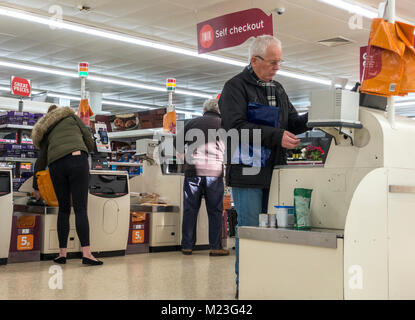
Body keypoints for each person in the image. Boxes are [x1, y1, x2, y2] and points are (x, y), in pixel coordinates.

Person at [218, 35, 309, 297]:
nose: (277, 67)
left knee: (277, 232)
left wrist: (318, 116)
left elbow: (291, 121)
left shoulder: (278, 89)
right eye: (272, 62)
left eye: (279, 62)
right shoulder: (235, 87)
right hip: (247, 172)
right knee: (250, 232)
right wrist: (275, 136)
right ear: (254, 60)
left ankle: (269, 285)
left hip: (275, 171)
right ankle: (245, 288)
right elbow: (234, 127)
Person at [32, 104, 103, 266]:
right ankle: (87, 254)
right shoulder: (72, 117)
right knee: (80, 209)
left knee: (63, 209)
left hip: (56, 165)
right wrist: (85, 149)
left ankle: (62, 254)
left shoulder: (46, 129)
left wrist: (36, 187)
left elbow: (41, 161)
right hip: (77, 160)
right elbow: (89, 141)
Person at [177, 98, 229, 256]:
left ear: (204, 109)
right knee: (215, 211)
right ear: (219, 110)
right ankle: (215, 247)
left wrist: (185, 155)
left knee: (190, 209)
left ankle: (187, 246)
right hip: (214, 172)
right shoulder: (224, 124)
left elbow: (176, 142)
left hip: (193, 171)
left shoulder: (193, 123)